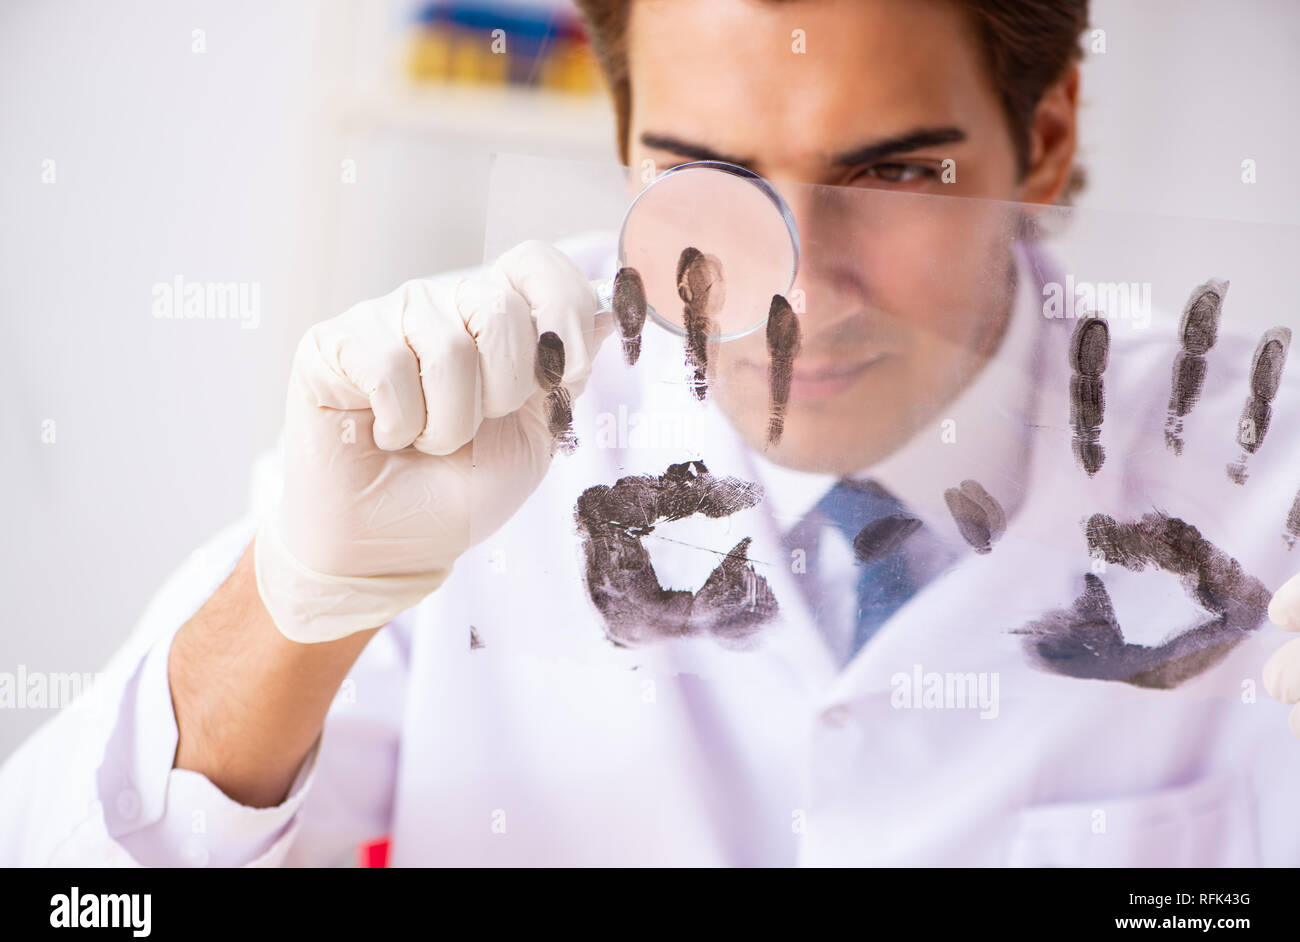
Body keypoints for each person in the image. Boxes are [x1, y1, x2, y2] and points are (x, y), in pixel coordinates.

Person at [4, 0, 1300, 866]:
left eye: (897, 173)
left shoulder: (1266, 479)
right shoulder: (474, 413)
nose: (795, 284)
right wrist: (297, 600)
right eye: (700, 176)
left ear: (1048, 133)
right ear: (622, 141)